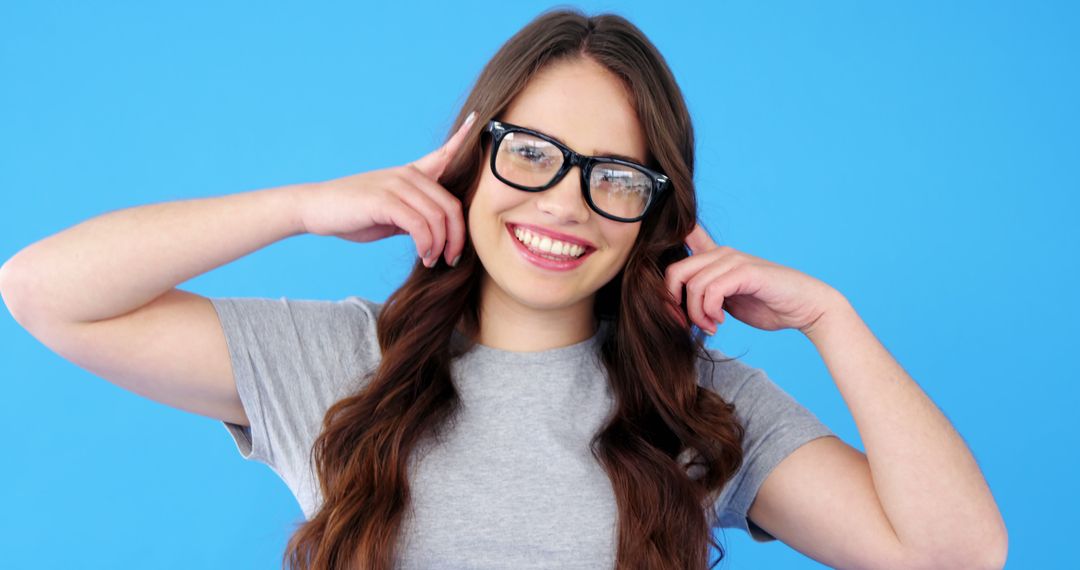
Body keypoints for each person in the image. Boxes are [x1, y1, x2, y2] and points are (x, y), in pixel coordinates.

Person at [0, 8, 1007, 570]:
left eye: (614, 175)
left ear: (652, 210)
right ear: (469, 162)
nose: (566, 204)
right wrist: (300, 205)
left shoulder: (700, 409)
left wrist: (835, 321)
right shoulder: (341, 363)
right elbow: (46, 290)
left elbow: (955, 558)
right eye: (532, 154)